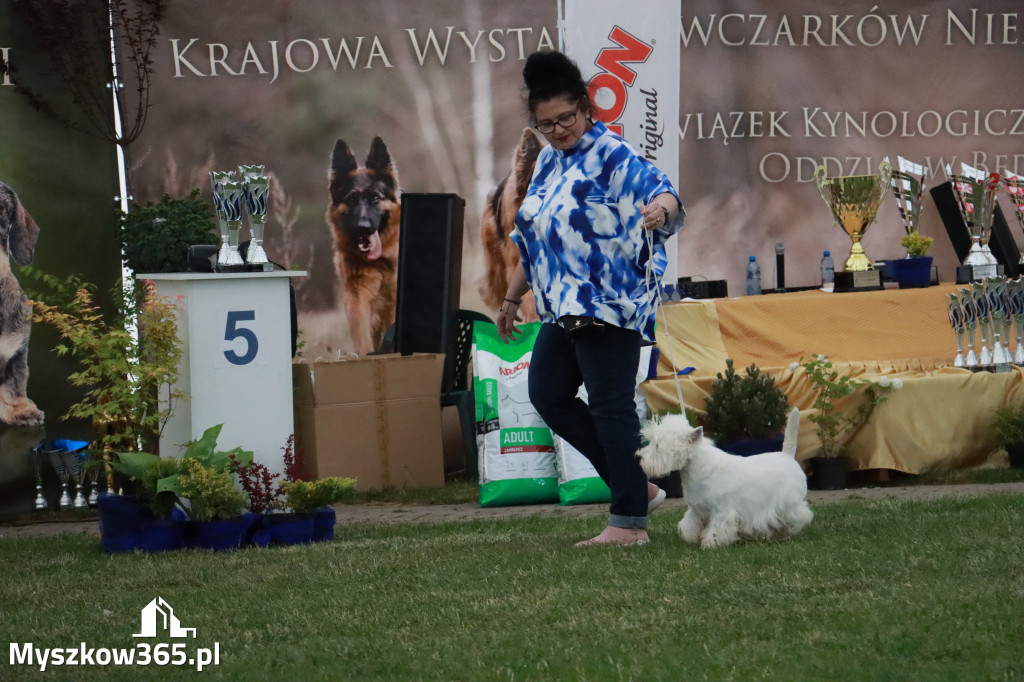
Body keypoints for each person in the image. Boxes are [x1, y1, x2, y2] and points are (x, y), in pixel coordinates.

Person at [497, 50, 684, 547]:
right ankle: (635, 487)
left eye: (567, 118)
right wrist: (512, 300)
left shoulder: (613, 154)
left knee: (610, 406)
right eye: (548, 124)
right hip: (562, 307)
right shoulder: (546, 167)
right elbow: (533, 242)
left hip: (611, 301)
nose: (559, 130)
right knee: (549, 395)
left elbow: (665, 193)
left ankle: (628, 525)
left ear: (586, 107)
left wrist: (659, 214)